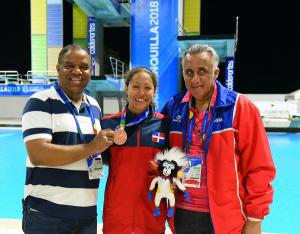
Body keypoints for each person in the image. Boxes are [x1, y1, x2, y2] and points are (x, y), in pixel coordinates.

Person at [161, 44, 276, 234]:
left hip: (225, 220)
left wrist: (255, 218)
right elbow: (153, 148)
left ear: (216, 73)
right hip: (181, 215)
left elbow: (259, 167)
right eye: (188, 72)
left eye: (202, 71)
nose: (194, 79)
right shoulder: (174, 107)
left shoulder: (240, 108)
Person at [21, 44, 115, 234]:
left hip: (86, 216)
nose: (77, 71)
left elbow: (97, 153)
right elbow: (39, 154)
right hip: (46, 216)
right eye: (69, 65)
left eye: (84, 66)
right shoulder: (40, 101)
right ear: (58, 69)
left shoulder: (93, 106)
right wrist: (91, 147)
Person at [100, 67, 172, 234]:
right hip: (117, 216)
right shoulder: (108, 124)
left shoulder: (165, 125)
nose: (141, 93)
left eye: (147, 88)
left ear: (154, 91)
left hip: (151, 216)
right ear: (126, 88)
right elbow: (102, 161)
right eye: (135, 87)